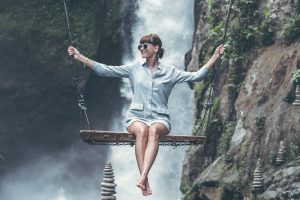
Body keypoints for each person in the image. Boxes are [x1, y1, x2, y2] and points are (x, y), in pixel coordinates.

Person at [68, 33, 226, 196]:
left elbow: (197, 76)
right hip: (136, 117)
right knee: (142, 131)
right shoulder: (133, 68)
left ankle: (143, 176)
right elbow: (105, 70)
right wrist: (80, 57)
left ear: (156, 48)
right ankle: (145, 179)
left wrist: (214, 57)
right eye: (139, 46)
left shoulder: (170, 72)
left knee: (154, 131)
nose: (141, 49)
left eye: (145, 46)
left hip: (160, 118)